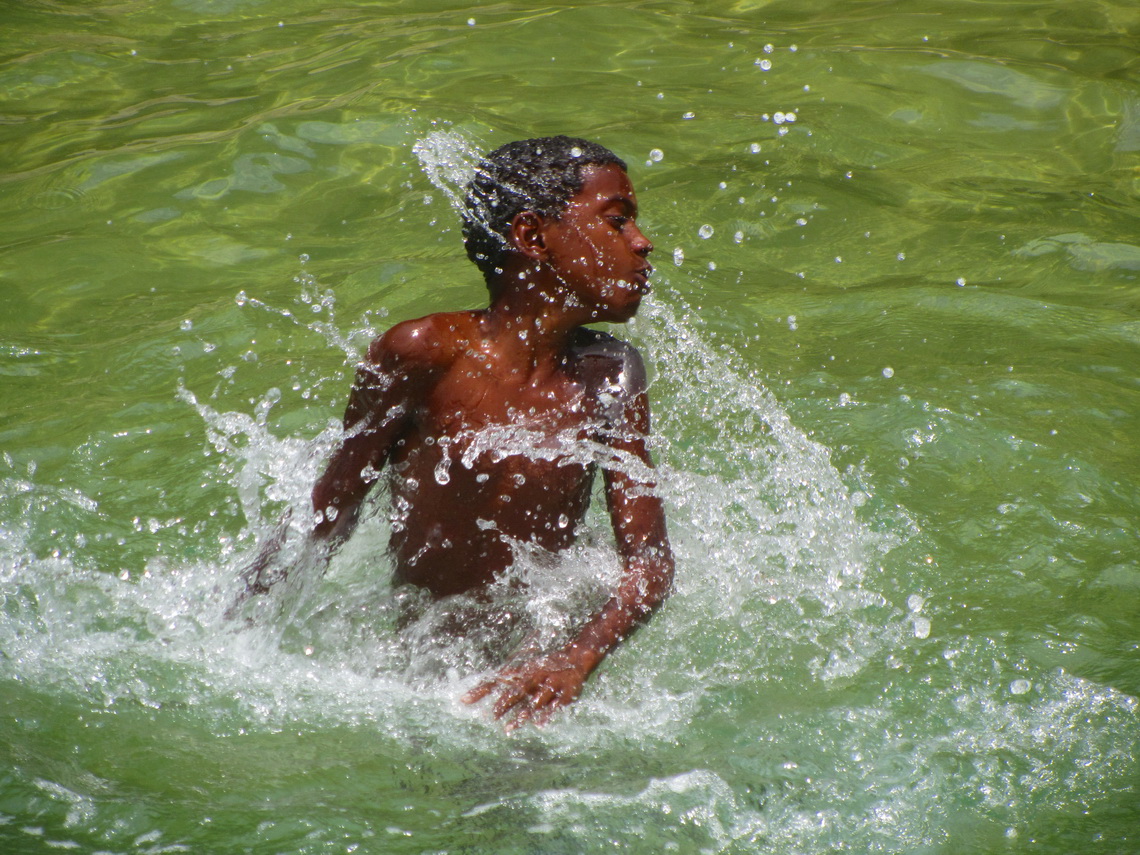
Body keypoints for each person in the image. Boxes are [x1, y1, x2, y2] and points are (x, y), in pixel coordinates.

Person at [236, 136, 674, 729]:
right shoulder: (423, 354)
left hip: (543, 655)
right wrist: (239, 639)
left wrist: (578, 657)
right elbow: (329, 512)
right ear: (532, 236)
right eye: (617, 221)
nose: (642, 243)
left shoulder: (612, 375)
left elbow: (648, 563)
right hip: (422, 663)